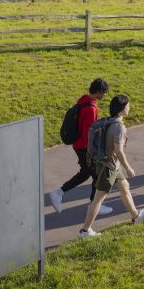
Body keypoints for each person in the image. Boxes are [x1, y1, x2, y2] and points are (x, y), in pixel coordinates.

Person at [79, 95, 144, 237]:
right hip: (109, 167)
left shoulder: (109, 121)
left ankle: (136, 216)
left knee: (125, 187)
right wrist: (128, 167)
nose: (129, 108)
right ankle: (85, 230)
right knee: (98, 199)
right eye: (128, 106)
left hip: (109, 164)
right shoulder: (119, 127)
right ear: (122, 110)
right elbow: (118, 150)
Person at [48, 78, 113, 216]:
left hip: (78, 145)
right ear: (99, 92)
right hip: (85, 147)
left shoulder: (83, 101)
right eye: (105, 93)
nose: (105, 96)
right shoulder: (90, 109)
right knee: (97, 174)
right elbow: (88, 132)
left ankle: (60, 193)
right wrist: (93, 152)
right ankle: (94, 205)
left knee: (87, 172)